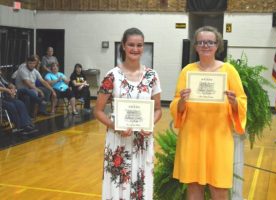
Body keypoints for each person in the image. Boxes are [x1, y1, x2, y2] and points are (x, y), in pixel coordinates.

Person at [170, 26, 247, 200]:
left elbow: (242, 101)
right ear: (195, 46)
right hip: (192, 135)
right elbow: (176, 104)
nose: (205, 45)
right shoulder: (187, 71)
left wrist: (235, 103)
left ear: (217, 45)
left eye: (210, 42)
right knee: (193, 186)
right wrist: (182, 101)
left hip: (219, 136)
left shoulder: (229, 71)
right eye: (201, 42)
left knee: (219, 187)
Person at [94, 28, 162, 199]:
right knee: (118, 188)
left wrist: (150, 124)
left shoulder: (152, 76)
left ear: (143, 47)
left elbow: (158, 110)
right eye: (131, 44)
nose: (135, 48)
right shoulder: (112, 76)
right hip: (118, 142)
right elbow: (98, 111)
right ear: (123, 46)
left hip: (142, 141)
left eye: (139, 45)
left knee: (141, 188)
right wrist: (115, 126)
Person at [0, 69, 36, 134]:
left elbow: (8, 83)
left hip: (5, 97)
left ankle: (26, 124)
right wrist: (7, 90)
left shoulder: (1, 78)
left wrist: (12, 87)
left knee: (20, 103)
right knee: (11, 106)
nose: (0, 72)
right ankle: (18, 126)